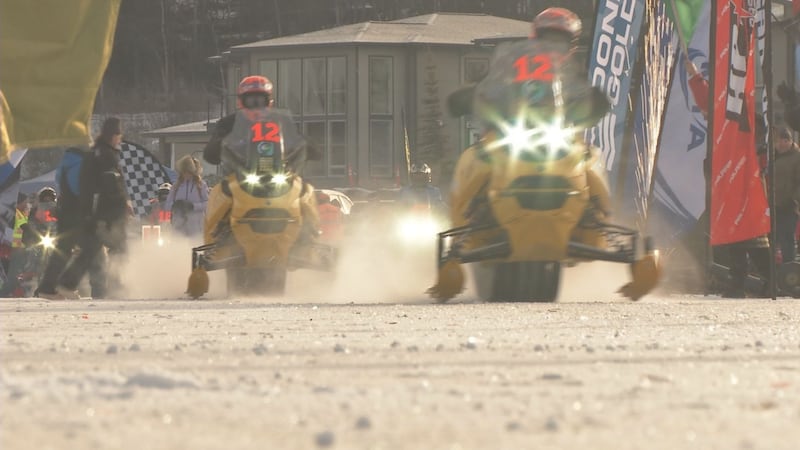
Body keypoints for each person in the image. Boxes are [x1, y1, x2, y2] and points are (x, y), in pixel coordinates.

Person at [685, 59, 773, 297]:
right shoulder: (725, 119)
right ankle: (738, 283)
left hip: (749, 185)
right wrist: (694, 77)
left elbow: (709, 103)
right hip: (729, 185)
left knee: (753, 237)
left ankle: (771, 278)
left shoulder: (750, 125)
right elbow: (708, 102)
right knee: (733, 234)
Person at [49, 117, 131, 300]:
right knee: (118, 248)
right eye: (119, 135)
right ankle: (115, 287)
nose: (120, 138)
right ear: (114, 135)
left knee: (91, 249)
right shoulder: (106, 155)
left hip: (95, 211)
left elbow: (86, 186)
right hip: (106, 212)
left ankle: (67, 283)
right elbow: (110, 183)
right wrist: (121, 202)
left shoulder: (95, 153)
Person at [37, 147, 107, 300]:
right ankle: (92, 290)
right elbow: (83, 191)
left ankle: (49, 287)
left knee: (64, 252)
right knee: (93, 251)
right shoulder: (81, 164)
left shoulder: (65, 164)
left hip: (67, 216)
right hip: (79, 215)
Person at [772, 127, 800, 264]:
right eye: (775, 142)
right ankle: (773, 267)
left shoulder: (797, 157)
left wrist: (794, 199)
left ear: (788, 141)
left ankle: (789, 268)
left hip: (789, 205)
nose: (777, 145)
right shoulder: (775, 156)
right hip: (774, 203)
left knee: (787, 237)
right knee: (774, 236)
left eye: (779, 142)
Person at [165, 155, 208, 238]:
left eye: (189, 172)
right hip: (178, 228)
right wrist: (176, 205)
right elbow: (167, 205)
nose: (187, 174)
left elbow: (208, 204)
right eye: (184, 172)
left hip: (196, 229)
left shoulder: (201, 185)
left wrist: (193, 206)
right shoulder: (176, 186)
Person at [0, 193, 31, 296]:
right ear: (18, 203)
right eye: (24, 202)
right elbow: (24, 230)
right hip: (14, 251)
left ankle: (16, 293)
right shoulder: (15, 215)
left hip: (18, 249)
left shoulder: (22, 214)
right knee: (13, 276)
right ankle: (3, 295)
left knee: (14, 276)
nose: (27, 204)